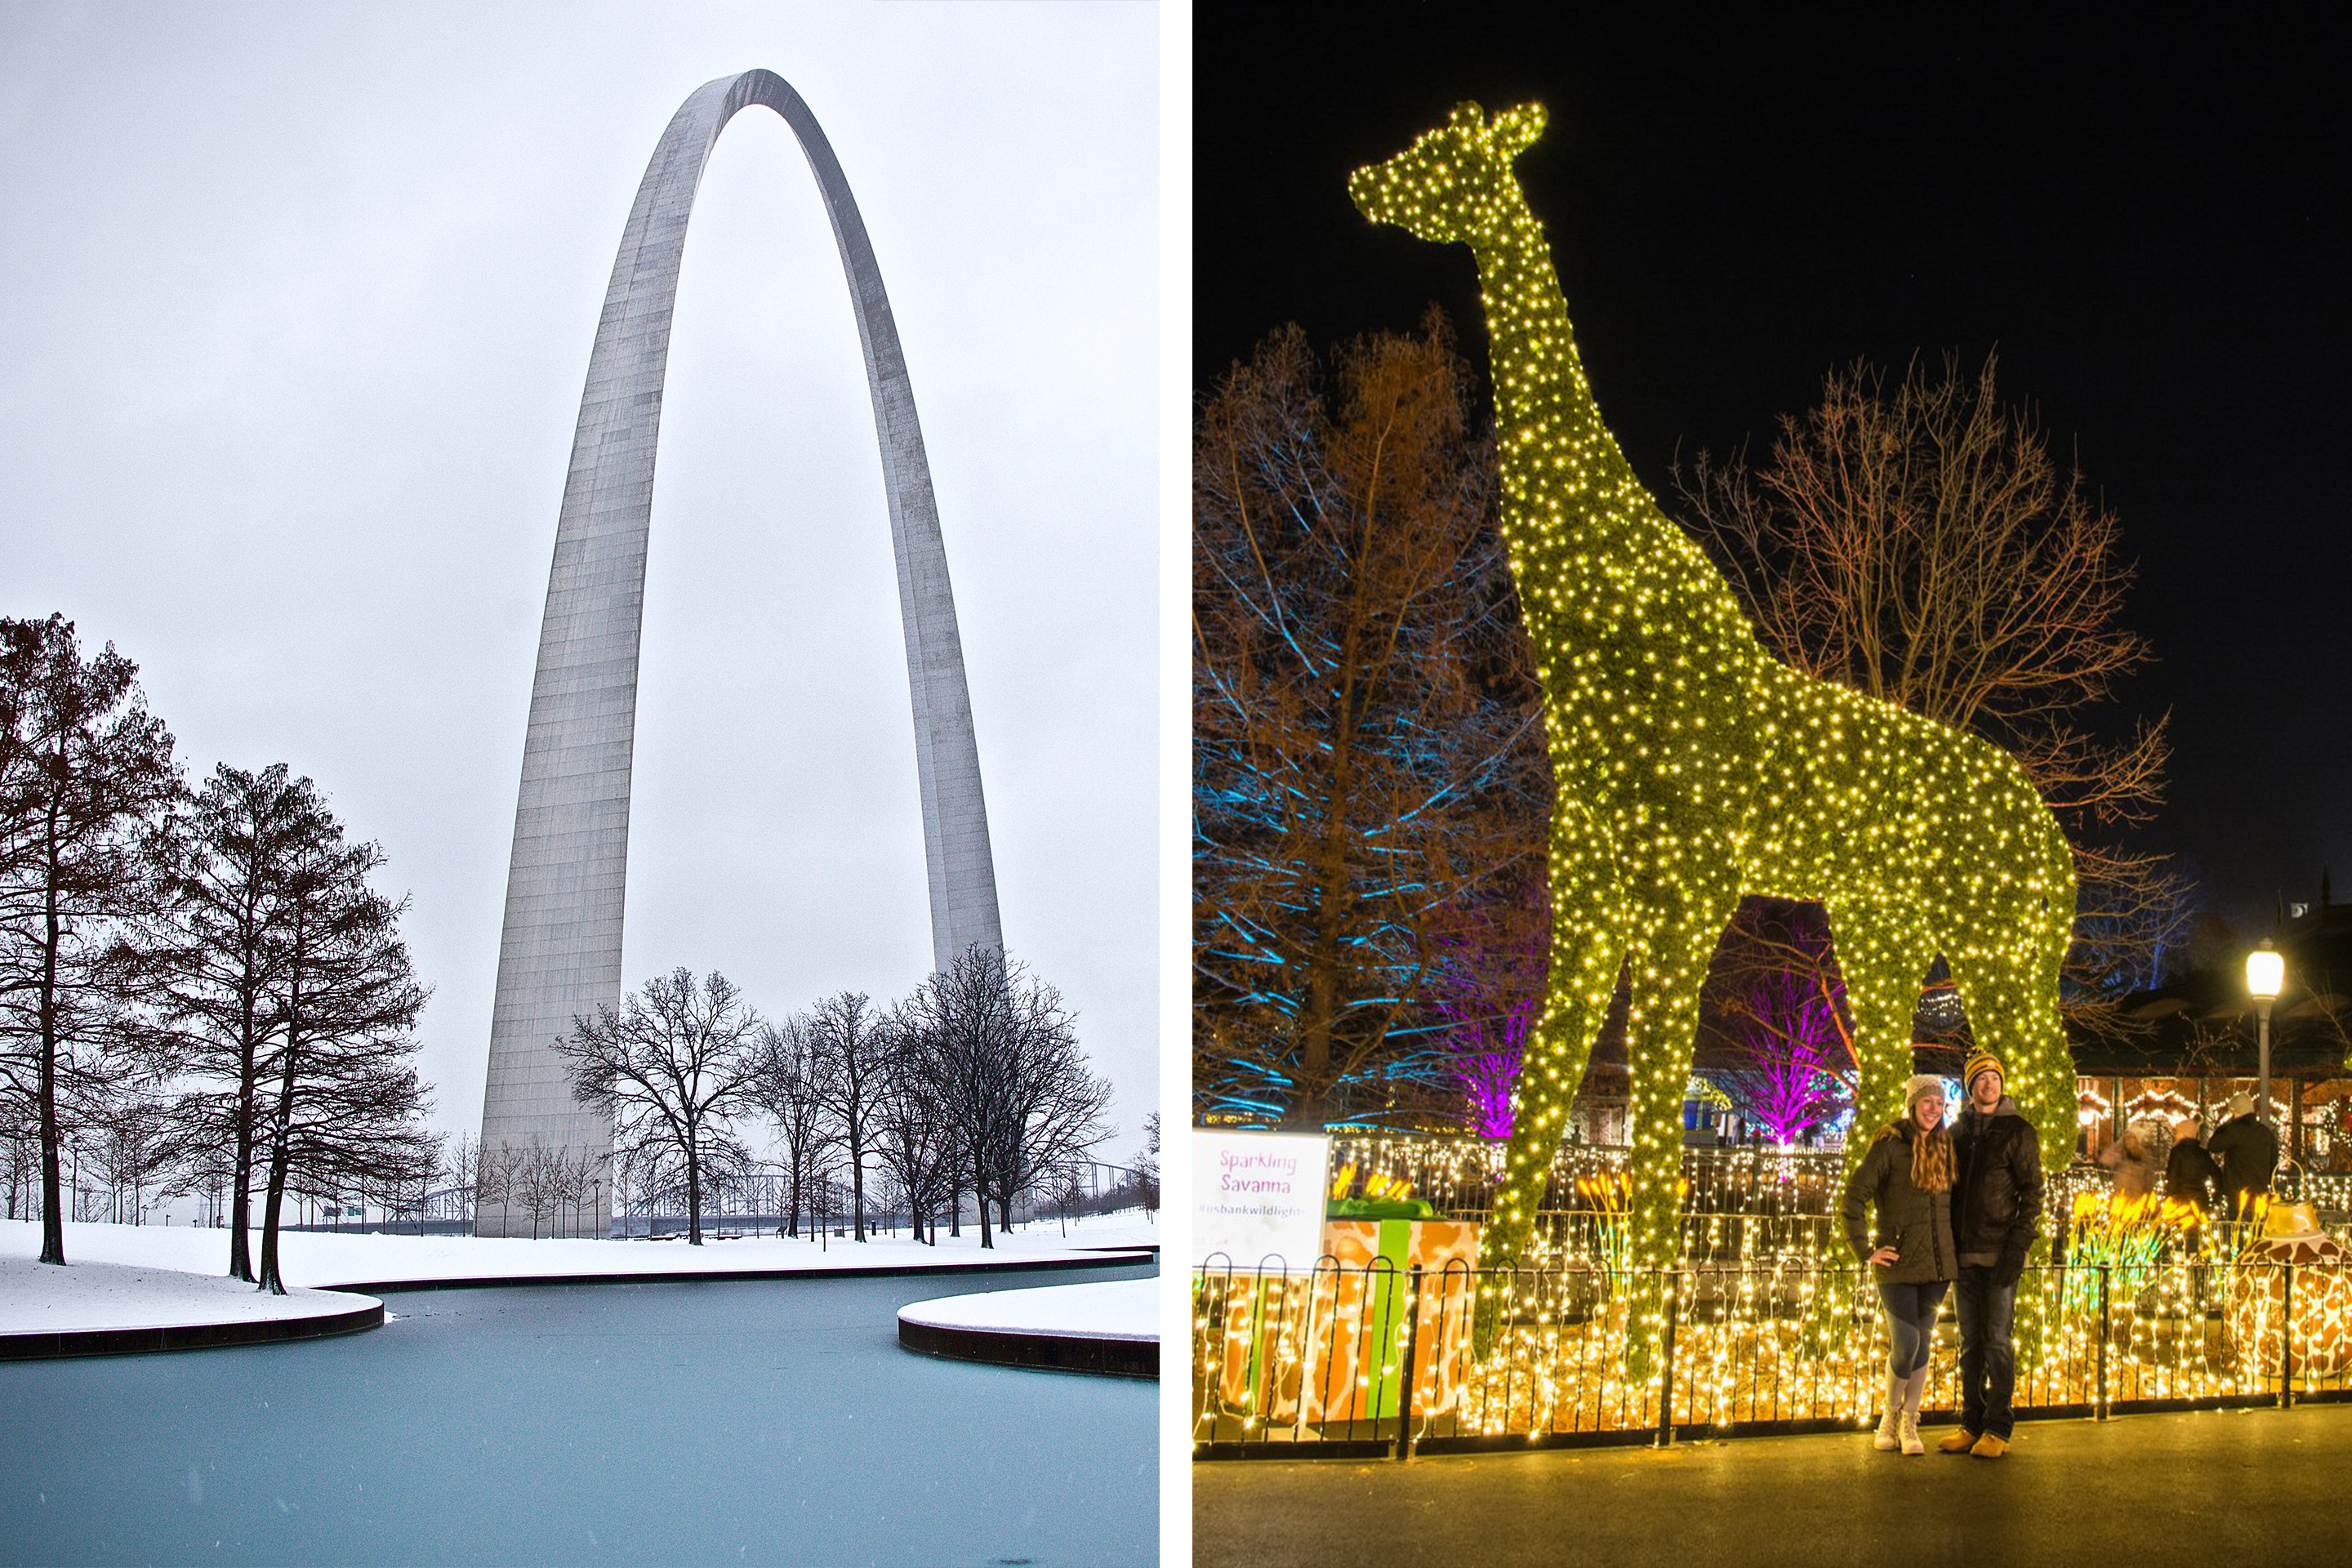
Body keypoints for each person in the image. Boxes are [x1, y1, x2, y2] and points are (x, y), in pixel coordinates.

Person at [1842, 1073, 1956, 1457]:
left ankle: (1911, 1421)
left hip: (1937, 1268)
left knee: (1923, 1345)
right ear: (1912, 1105)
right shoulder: (1890, 1147)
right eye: (1927, 1102)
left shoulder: (1945, 1147)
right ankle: (1889, 1415)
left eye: (1939, 1104)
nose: (1933, 1110)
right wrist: (1865, 1249)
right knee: (1906, 1343)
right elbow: (1854, 1198)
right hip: (1898, 1266)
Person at [1941, 1046, 2042, 1459]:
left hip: (2000, 1254)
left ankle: (1998, 1426)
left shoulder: (2018, 1130)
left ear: (2002, 1084)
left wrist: (2017, 1246)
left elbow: (2033, 1193)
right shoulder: (1958, 1132)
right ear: (1970, 1086)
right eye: (1981, 1078)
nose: (1989, 1084)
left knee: (1998, 1341)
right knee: (1969, 1343)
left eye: (1995, 1078)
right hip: (1964, 1256)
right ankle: (1971, 1421)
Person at [2207, 1091, 2281, 1222]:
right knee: (2257, 1231)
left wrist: (2226, 1125)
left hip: (2238, 1193)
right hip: (2260, 1191)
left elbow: (2213, 1146)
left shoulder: (2234, 1131)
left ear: (2236, 1111)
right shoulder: (2265, 1132)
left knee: (2239, 1232)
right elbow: (2274, 1161)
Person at [2099, 1127, 2159, 1199]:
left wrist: (2146, 1198)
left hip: (2136, 1199)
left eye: (2131, 1138)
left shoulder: (2144, 1158)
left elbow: (2149, 1182)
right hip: (2120, 1199)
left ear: (2137, 1140)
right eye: (2126, 1138)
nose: (2128, 1140)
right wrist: (2119, 1144)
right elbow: (2105, 1159)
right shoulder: (2121, 1155)